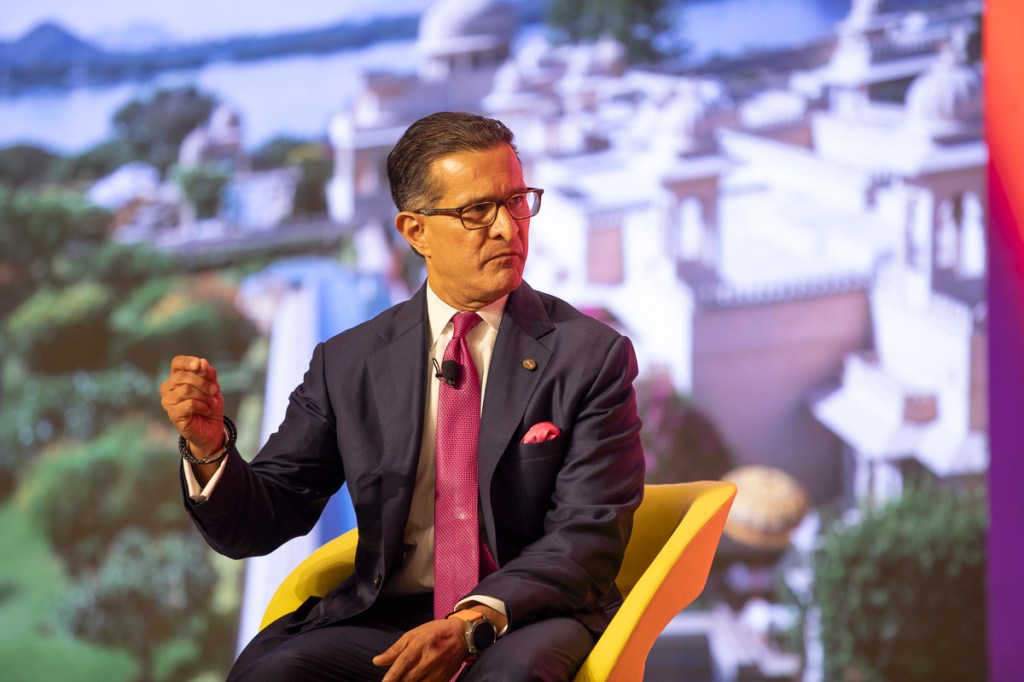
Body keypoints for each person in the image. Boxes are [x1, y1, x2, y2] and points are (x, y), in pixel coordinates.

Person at [160, 111, 645, 681]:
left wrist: (472, 624)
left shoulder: (592, 357)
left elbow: (584, 536)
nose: (508, 229)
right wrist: (210, 450)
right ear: (415, 231)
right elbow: (265, 517)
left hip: (530, 612)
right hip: (390, 614)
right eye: (476, 211)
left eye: (517, 202)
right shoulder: (349, 363)